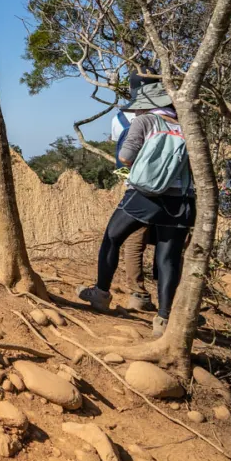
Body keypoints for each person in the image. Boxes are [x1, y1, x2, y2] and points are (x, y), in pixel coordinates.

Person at [78, 80, 196, 337]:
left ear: (147, 106)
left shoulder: (146, 122)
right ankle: (164, 319)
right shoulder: (187, 126)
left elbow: (125, 156)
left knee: (112, 237)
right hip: (182, 199)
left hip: (145, 195)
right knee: (168, 258)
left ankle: (100, 293)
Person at [110, 92, 156, 313]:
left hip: (140, 187)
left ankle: (138, 294)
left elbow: (124, 156)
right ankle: (172, 300)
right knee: (170, 247)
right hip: (177, 190)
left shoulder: (121, 119)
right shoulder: (177, 118)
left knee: (132, 239)